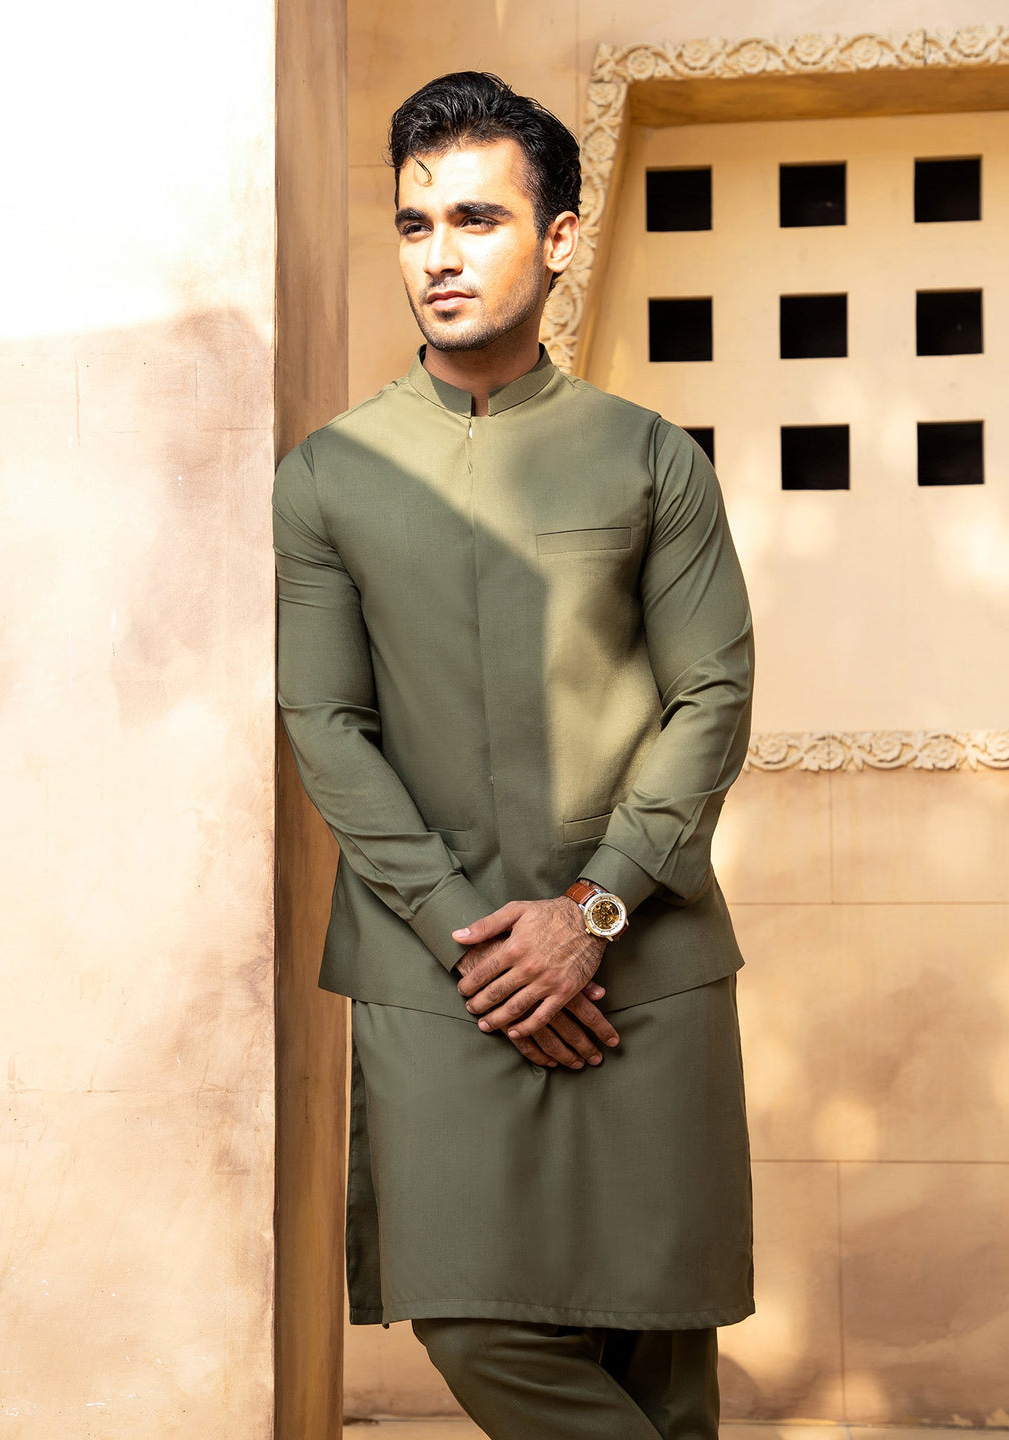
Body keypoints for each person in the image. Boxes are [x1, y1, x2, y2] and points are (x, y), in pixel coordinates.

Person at [273, 70, 755, 1440]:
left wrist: (589, 917)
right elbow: (325, 722)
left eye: (476, 219)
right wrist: (479, 941)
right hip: (441, 972)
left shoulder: (651, 460)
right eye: (415, 223)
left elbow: (711, 696)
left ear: (557, 238)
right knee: (476, 1322)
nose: (438, 254)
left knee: (658, 1350)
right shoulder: (327, 477)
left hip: (644, 957)